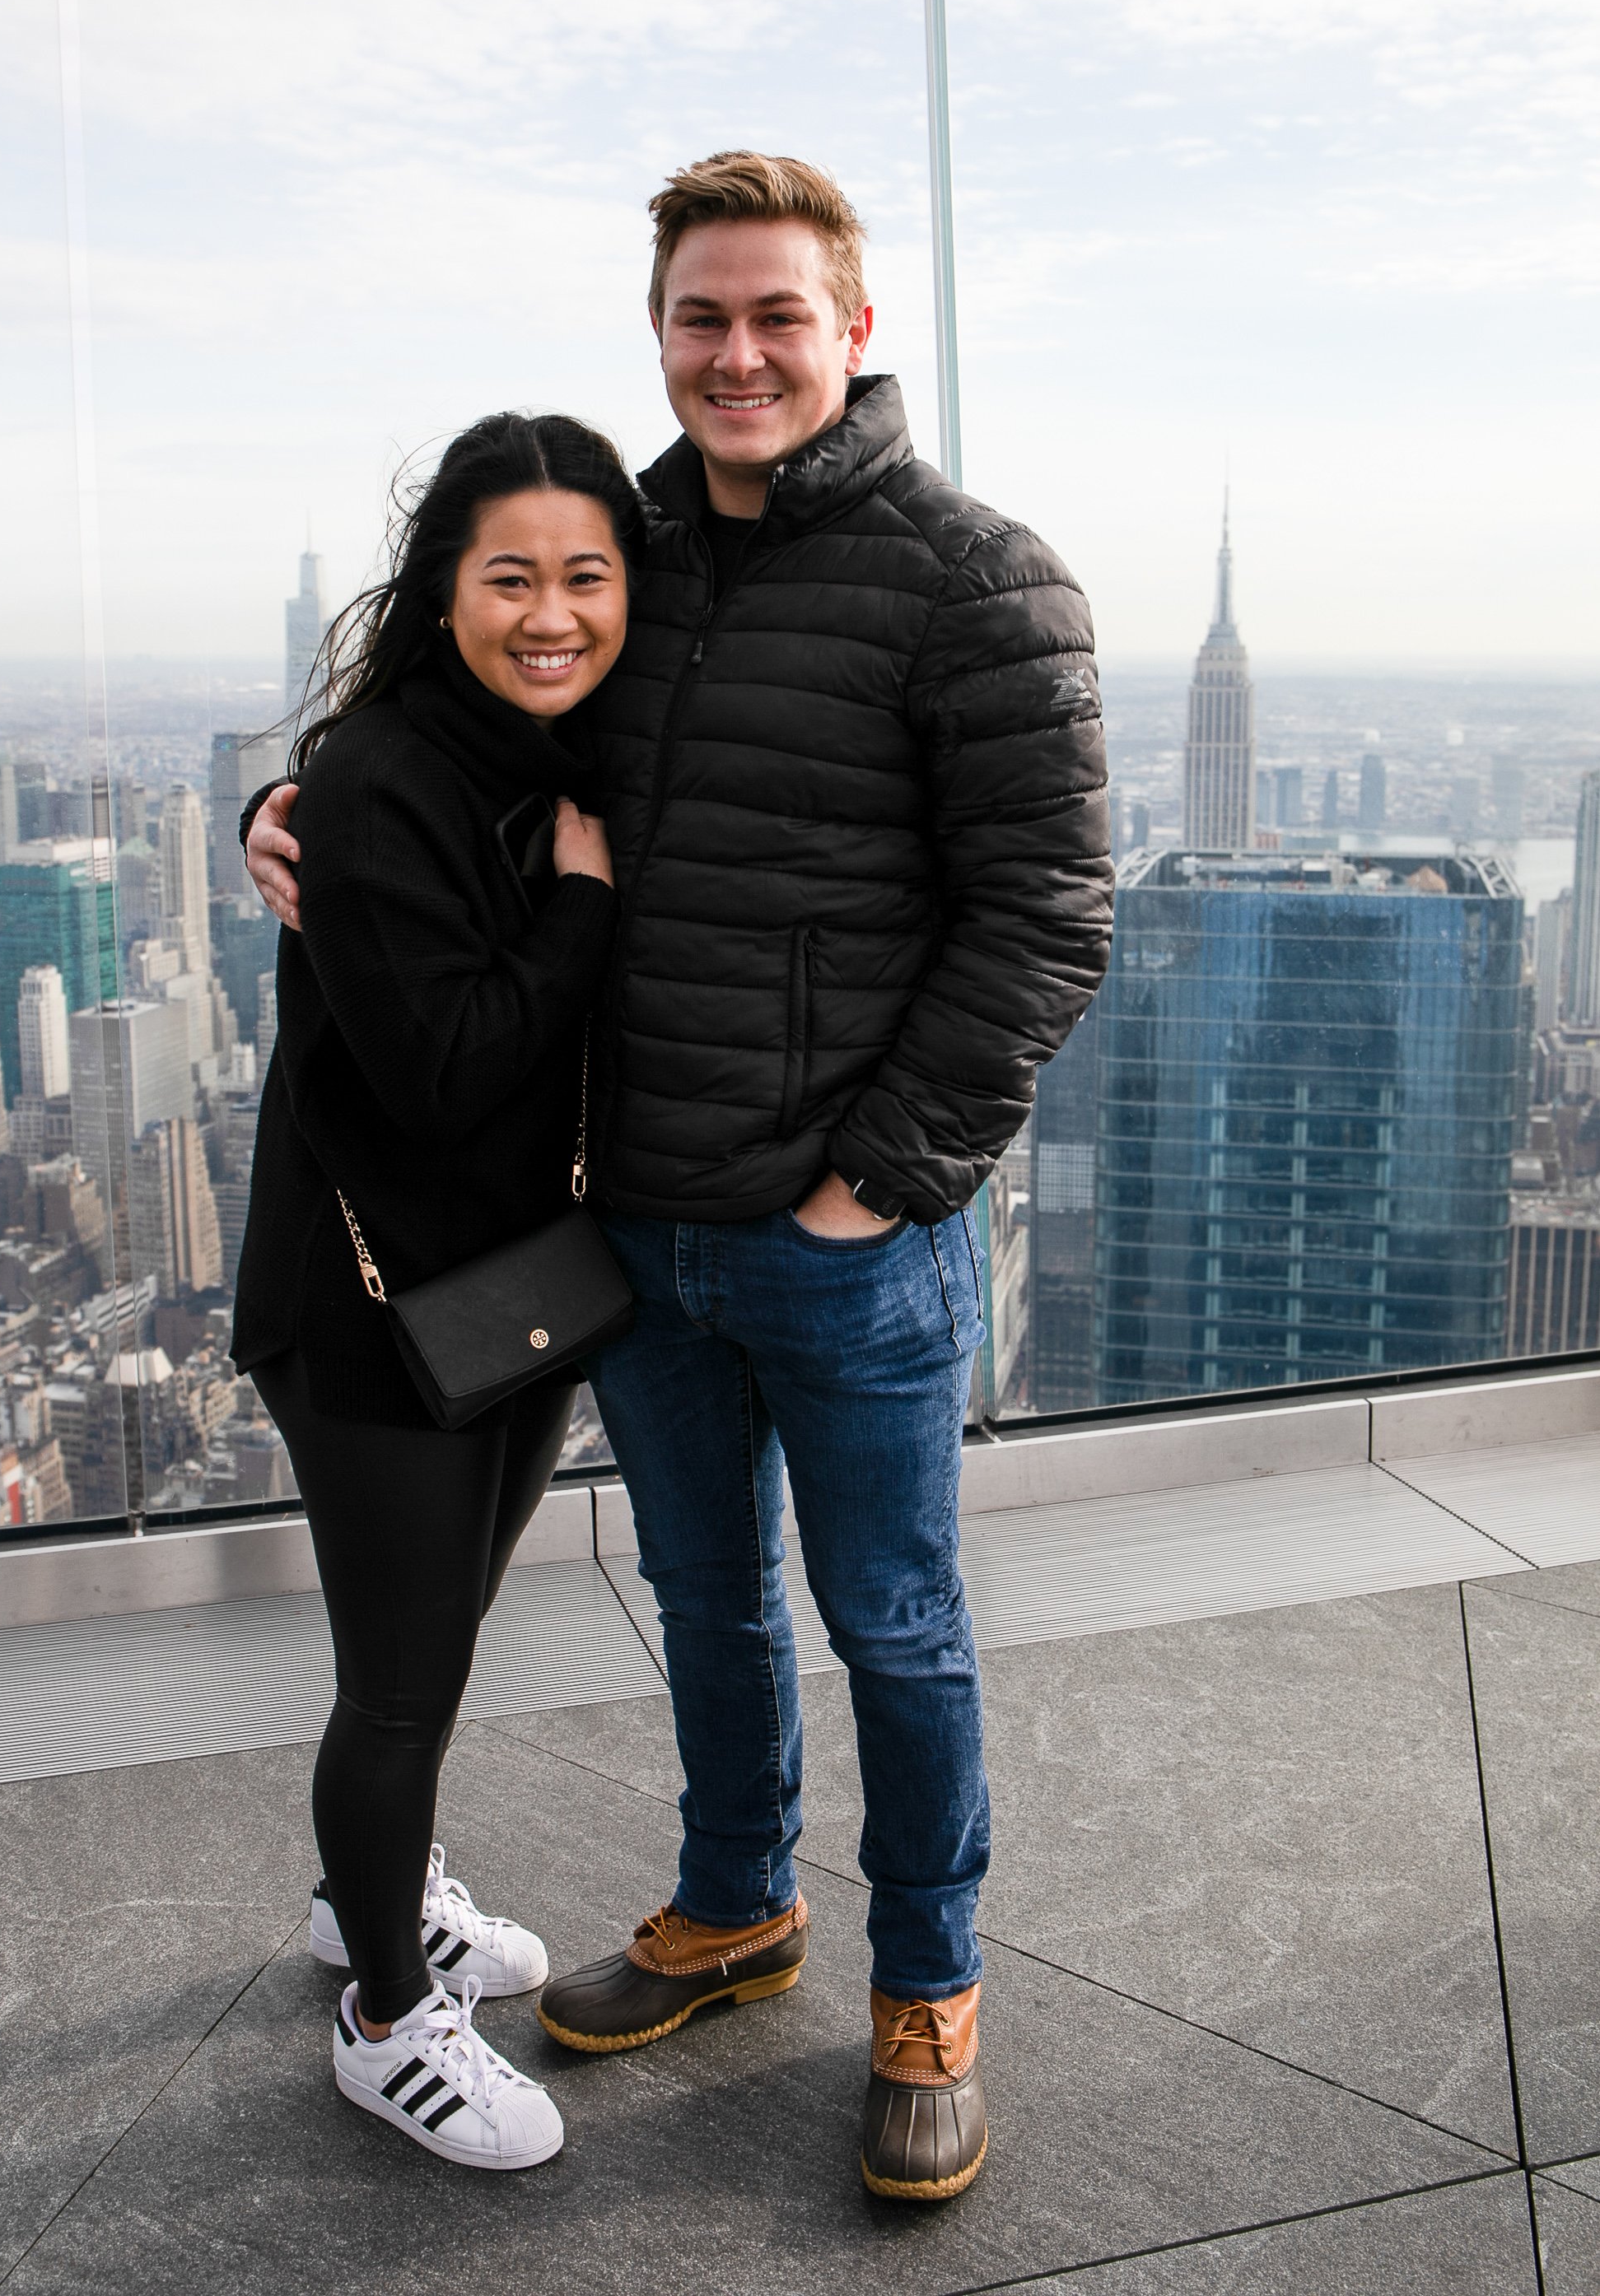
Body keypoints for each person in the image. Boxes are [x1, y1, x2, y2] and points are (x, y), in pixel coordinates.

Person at [246, 151, 1113, 2199]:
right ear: (658, 334)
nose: (736, 353)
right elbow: (452, 718)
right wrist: (291, 802)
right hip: (629, 1221)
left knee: (891, 1623)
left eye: (775, 316)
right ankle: (735, 1901)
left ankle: (928, 1988)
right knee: (704, 1604)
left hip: (841, 1241)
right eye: (699, 319)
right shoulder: (619, 556)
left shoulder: (978, 582)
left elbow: (1048, 914)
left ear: (854, 328)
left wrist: (875, 1183)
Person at [232, 408, 643, 2172]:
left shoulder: (559, 745)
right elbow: (446, 1069)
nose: (549, 613)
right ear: (440, 587)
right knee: (396, 1684)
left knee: (438, 1645)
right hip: (366, 1308)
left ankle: (371, 1897)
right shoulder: (392, 781)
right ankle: (389, 2020)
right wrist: (575, 914)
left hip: (505, 1289)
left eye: (585, 575)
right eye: (508, 577)